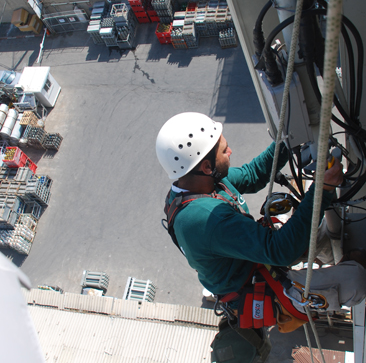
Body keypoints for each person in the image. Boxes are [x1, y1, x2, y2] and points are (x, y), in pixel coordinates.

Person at [156, 112, 366, 330]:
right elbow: (282, 250)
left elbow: (253, 175)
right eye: (223, 150)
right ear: (207, 167)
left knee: (311, 231)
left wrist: (288, 139)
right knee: (356, 280)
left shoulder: (198, 182)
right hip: (254, 284)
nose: (230, 151)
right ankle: (349, 263)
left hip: (249, 258)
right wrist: (323, 189)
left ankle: (329, 253)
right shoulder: (207, 220)